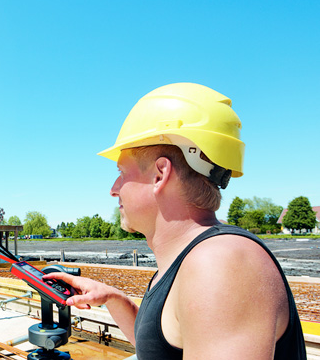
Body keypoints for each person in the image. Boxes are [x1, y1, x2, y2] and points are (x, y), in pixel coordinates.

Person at [45, 83, 306, 359]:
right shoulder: (189, 260)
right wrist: (113, 297)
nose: (113, 188)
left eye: (121, 172)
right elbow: (163, 348)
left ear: (160, 174)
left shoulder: (220, 265)